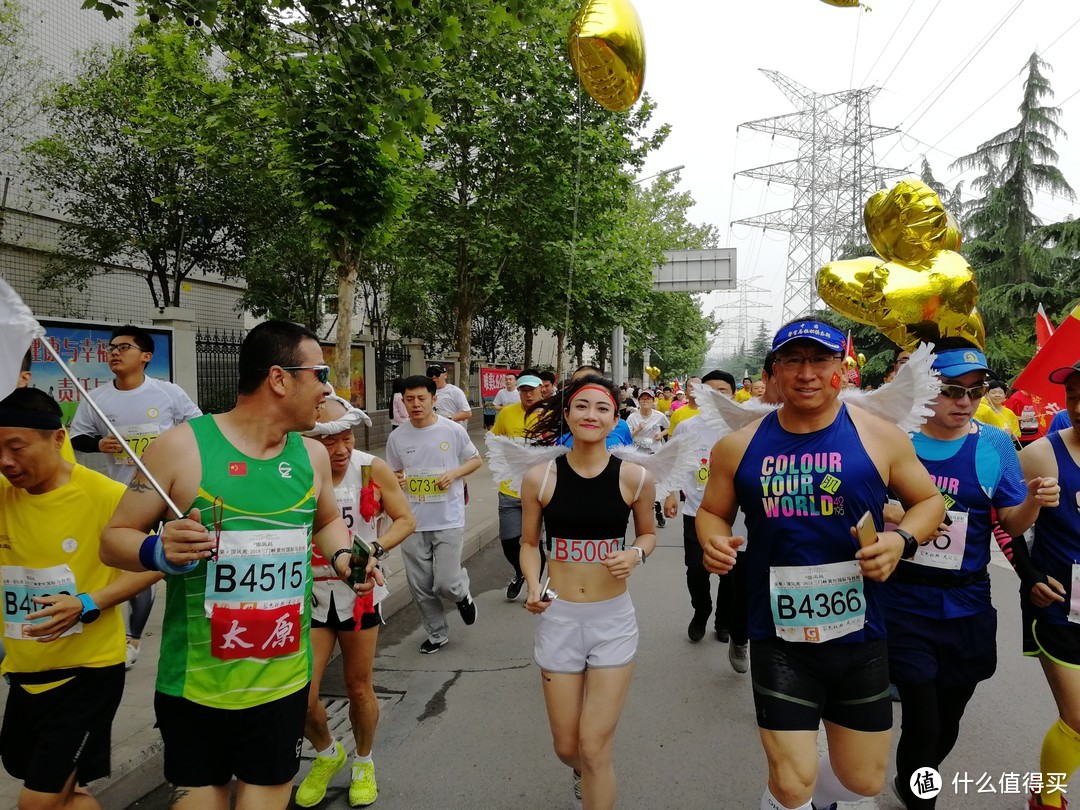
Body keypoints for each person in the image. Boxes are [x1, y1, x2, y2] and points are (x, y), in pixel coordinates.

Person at [100, 320, 367, 810]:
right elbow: (114, 540)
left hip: (282, 684)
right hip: (195, 687)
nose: (328, 388)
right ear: (280, 378)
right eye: (320, 373)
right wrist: (157, 550)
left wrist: (344, 556)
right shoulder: (181, 447)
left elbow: (327, 520)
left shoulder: (311, 456)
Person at [696, 319, 944, 810]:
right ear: (773, 374)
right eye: (792, 361)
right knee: (792, 785)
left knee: (864, 782)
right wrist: (714, 542)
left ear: (841, 371)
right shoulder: (738, 446)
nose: (806, 373)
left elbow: (929, 502)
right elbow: (712, 511)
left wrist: (902, 543)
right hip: (778, 635)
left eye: (820, 360)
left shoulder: (881, 436)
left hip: (861, 634)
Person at [882, 343, 1058, 809]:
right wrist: (894, 511)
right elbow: (853, 505)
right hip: (905, 599)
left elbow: (1010, 523)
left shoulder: (995, 443)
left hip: (968, 603)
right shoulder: (893, 438)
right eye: (951, 391)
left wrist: (1034, 503)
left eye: (974, 391)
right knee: (924, 719)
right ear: (926, 389)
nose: (963, 401)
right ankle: (922, 799)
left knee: (950, 715)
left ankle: (915, 780)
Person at [0, 388, 162, 810]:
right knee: (65, 795)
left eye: (16, 448)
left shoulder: (105, 495)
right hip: (24, 668)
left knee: (37, 801)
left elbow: (154, 564)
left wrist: (87, 602)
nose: (5, 461)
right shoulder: (3, 494)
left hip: (88, 673)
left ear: (58, 438)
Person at [519, 374, 656, 810]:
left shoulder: (635, 477)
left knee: (595, 747)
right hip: (559, 620)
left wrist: (635, 554)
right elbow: (528, 543)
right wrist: (532, 583)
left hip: (612, 620)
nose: (591, 414)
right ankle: (583, 770)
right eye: (582, 406)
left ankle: (594, 773)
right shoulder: (540, 478)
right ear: (567, 413)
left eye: (602, 408)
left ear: (616, 418)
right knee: (567, 747)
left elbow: (648, 535)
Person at [294, 395, 415, 808]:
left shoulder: (370, 468)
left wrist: (375, 549)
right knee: (301, 697)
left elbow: (405, 519)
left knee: (358, 686)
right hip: (310, 594)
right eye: (329, 443)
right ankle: (328, 753)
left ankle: (363, 760)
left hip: (360, 594)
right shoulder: (293, 470)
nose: (341, 450)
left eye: (346, 438)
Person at [68, 325, 201, 670]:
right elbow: (76, 437)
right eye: (110, 348)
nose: (113, 352)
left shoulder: (168, 393)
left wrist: (168, 447)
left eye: (123, 347)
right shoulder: (97, 398)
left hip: (163, 497)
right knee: (124, 563)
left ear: (145, 356)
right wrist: (98, 444)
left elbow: (197, 428)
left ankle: (134, 637)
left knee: (150, 566)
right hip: (121, 495)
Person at [1019, 359, 1080, 810]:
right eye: (1073, 396)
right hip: (1060, 604)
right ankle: (1048, 798)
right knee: (1077, 718)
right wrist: (1031, 577)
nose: (1077, 406)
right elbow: (1001, 523)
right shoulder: (1042, 454)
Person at [385, 374, 481, 653]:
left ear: (433, 399)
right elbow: (393, 473)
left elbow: (475, 460)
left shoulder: (451, 430)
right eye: (409, 399)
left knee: (446, 583)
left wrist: (454, 474)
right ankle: (437, 633)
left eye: (421, 398)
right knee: (421, 585)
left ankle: (461, 593)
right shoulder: (397, 437)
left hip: (448, 517)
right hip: (412, 521)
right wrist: (397, 480)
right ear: (402, 402)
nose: (415, 404)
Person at [662, 371, 742, 648]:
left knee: (731, 575)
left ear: (733, 394)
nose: (717, 396)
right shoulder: (687, 426)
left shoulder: (745, 427)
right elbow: (673, 462)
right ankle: (701, 610)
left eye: (723, 390)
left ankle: (723, 621)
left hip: (738, 519)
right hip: (696, 512)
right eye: (710, 391)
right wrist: (671, 494)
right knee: (696, 571)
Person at [491, 371, 545, 601]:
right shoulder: (506, 413)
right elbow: (494, 440)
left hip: (540, 488)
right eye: (523, 390)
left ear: (541, 389)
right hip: (510, 487)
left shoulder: (551, 415)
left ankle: (534, 588)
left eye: (531, 389)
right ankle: (521, 572)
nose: (528, 394)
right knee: (509, 541)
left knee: (533, 541)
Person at [627, 389, 670, 528]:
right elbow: (628, 437)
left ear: (653, 401)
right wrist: (638, 429)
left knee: (653, 484)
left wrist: (661, 434)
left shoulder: (659, 416)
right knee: (636, 484)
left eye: (648, 399)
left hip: (654, 454)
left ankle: (658, 512)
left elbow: (669, 428)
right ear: (639, 401)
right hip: (637, 455)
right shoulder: (633, 418)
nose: (646, 401)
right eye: (643, 399)